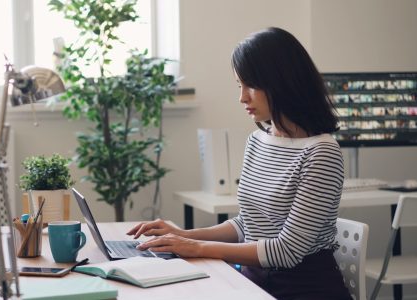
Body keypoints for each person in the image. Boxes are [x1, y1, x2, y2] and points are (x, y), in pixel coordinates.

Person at [127, 27, 352, 300]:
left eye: (251, 86)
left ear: (284, 82)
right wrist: (183, 235)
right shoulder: (258, 140)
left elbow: (286, 251)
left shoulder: (322, 153)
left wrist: (196, 246)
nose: (242, 97)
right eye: (239, 85)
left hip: (302, 288)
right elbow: (249, 224)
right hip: (253, 280)